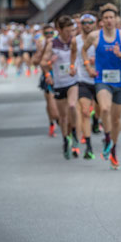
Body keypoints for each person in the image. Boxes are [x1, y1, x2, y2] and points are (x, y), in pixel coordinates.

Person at [81, 4, 121, 169]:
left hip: (118, 82)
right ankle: (106, 137)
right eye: (106, 18)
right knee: (104, 109)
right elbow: (83, 51)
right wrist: (88, 67)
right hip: (102, 81)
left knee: (116, 119)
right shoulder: (94, 36)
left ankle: (113, 148)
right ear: (101, 21)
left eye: (112, 17)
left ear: (116, 19)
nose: (109, 20)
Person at [42, 15, 79, 160]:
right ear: (59, 30)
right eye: (67, 31)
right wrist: (48, 69)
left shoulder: (73, 41)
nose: (70, 33)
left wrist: (72, 66)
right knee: (63, 118)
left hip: (72, 81)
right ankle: (65, 140)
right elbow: (43, 63)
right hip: (58, 83)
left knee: (72, 105)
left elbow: (75, 55)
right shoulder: (52, 44)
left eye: (72, 30)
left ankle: (75, 132)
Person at [75, 13, 98, 160]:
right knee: (84, 112)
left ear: (94, 24)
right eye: (85, 22)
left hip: (99, 79)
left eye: (90, 22)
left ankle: (96, 121)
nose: (87, 25)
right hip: (82, 78)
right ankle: (88, 146)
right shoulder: (75, 41)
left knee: (102, 110)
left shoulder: (99, 39)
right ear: (81, 24)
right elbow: (72, 57)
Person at [33, 24, 59, 137]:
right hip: (47, 77)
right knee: (50, 104)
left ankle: (62, 122)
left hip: (59, 76)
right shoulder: (41, 44)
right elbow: (35, 62)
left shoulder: (58, 42)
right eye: (46, 33)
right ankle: (52, 123)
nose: (49, 35)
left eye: (51, 33)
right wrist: (42, 49)